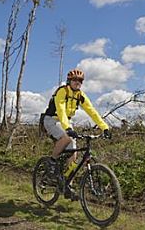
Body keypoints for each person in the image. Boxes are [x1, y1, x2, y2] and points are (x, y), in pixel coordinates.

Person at [42, 69, 111, 201]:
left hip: (66, 121)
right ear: (69, 81)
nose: (77, 83)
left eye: (80, 81)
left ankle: (68, 185)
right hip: (51, 120)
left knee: (74, 154)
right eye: (75, 80)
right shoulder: (62, 91)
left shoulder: (80, 95)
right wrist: (67, 128)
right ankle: (52, 162)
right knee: (65, 138)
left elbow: (92, 112)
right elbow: (61, 110)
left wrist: (104, 127)